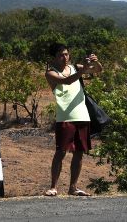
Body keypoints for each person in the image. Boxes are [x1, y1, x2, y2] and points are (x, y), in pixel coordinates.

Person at [43, 42, 103, 197]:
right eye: (61, 55)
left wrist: (95, 62)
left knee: (79, 152)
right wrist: (83, 70)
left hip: (82, 115)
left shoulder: (76, 67)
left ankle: (73, 187)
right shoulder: (51, 73)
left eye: (66, 54)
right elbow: (67, 81)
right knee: (61, 152)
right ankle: (53, 187)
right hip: (64, 117)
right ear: (54, 57)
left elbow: (98, 70)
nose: (65, 57)